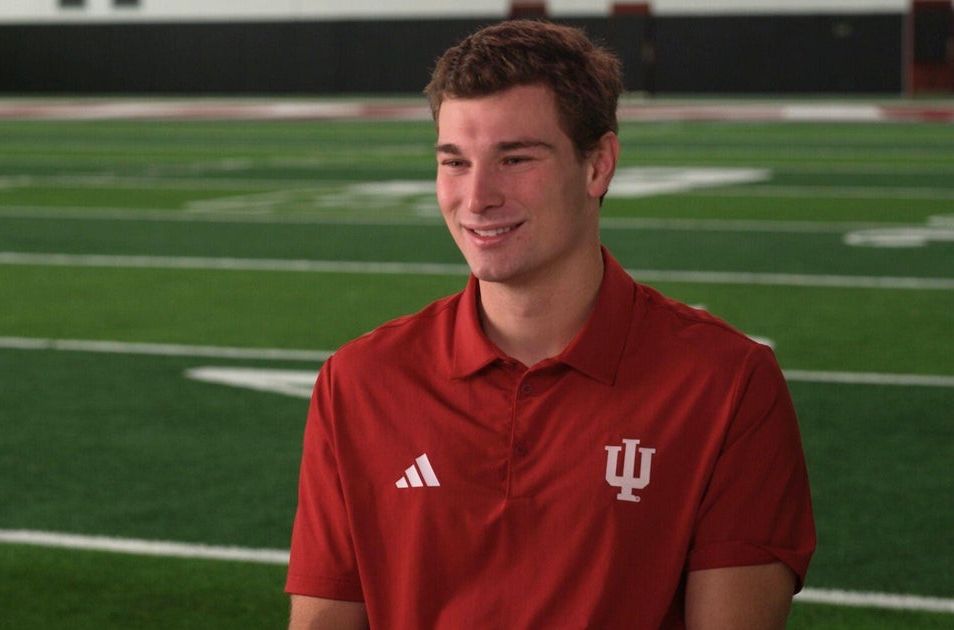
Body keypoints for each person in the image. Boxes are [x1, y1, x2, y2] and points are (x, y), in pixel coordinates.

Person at [285, 19, 815, 630]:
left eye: (514, 159)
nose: (477, 196)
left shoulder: (727, 386)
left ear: (599, 166)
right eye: (455, 161)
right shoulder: (357, 382)